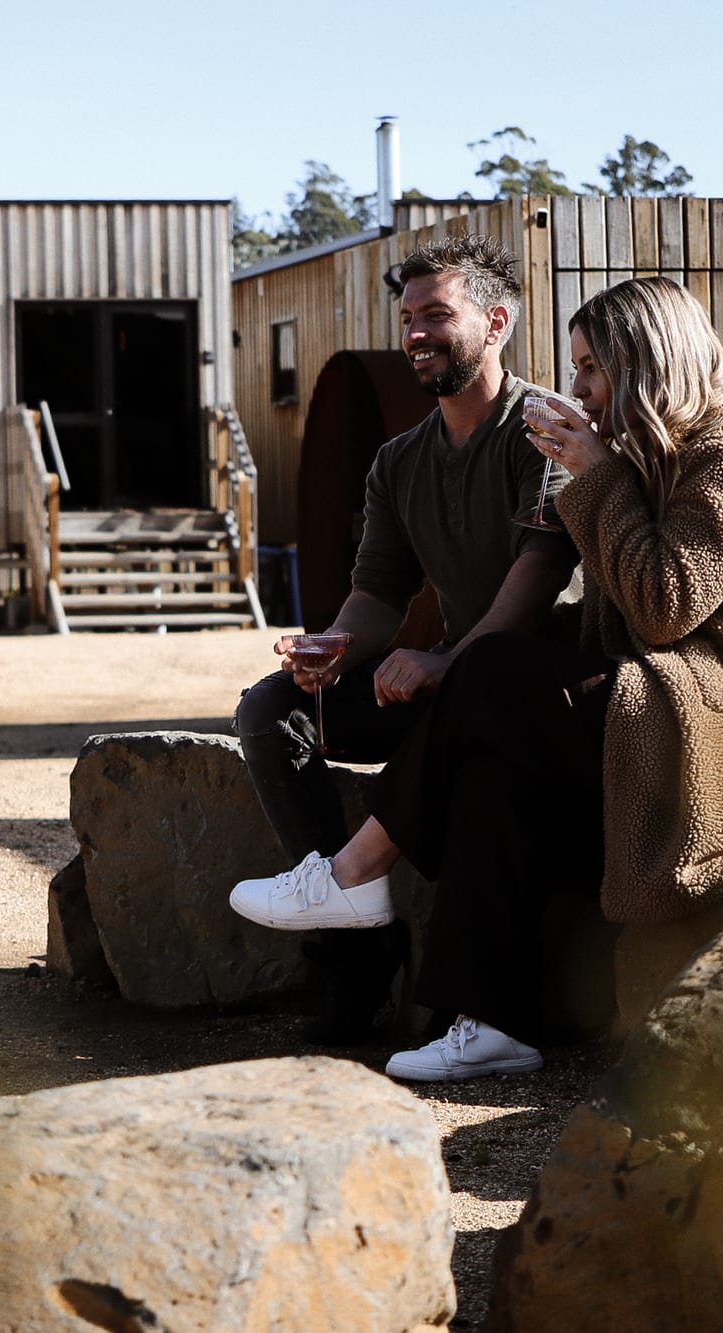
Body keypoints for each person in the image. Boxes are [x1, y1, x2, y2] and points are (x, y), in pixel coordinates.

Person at [245, 275, 723, 1082]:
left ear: (646, 360)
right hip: (663, 700)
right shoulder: (642, 457)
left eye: (592, 366)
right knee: (490, 762)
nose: (582, 385)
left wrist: (593, 477)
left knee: (489, 673)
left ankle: (353, 874)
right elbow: (611, 617)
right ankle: (492, 1021)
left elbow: (664, 607)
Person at [228, 236, 578, 1039]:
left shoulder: (547, 431)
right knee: (270, 709)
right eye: (408, 317)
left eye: (437, 315)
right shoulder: (398, 460)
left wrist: (446, 661)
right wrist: (334, 648)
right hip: (453, 679)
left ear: (496, 323)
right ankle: (357, 945)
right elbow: (378, 592)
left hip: (533, 687)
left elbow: (539, 579)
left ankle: (414, 961)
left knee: (473, 699)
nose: (416, 332)